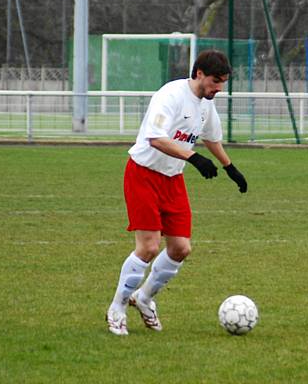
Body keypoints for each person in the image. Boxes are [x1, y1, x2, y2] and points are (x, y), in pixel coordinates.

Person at [106, 50, 248, 336]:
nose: (219, 88)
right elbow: (155, 138)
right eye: (215, 81)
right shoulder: (170, 95)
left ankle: (143, 299)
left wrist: (230, 168)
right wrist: (194, 158)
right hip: (143, 174)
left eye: (222, 82)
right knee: (148, 247)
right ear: (199, 74)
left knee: (181, 248)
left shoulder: (206, 104)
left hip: (172, 179)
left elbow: (212, 138)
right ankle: (117, 307)